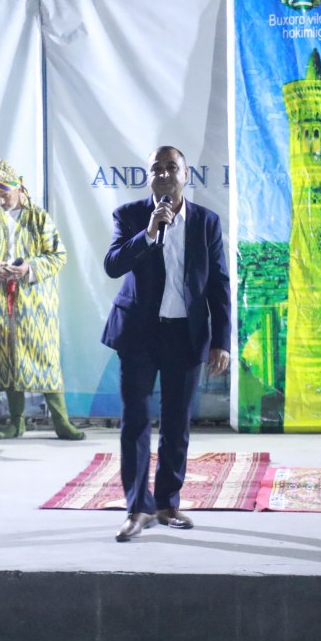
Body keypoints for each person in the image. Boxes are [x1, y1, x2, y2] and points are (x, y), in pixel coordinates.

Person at [102, 146, 231, 543]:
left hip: (184, 334)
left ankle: (167, 503)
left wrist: (221, 341)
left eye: (170, 167)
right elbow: (113, 264)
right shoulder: (130, 216)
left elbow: (218, 284)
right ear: (148, 176)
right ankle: (137, 508)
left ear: (185, 175)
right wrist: (150, 233)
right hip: (139, 335)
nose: (162, 173)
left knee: (177, 423)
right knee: (136, 422)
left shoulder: (206, 222)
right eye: (156, 168)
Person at [0, 160, 84, 441]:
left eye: (4, 194)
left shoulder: (40, 218)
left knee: (44, 358)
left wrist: (28, 269)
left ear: (19, 189)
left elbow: (58, 256)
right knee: (9, 359)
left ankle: (61, 422)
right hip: (1, 302)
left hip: (35, 303)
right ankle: (16, 421)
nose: (0, 200)